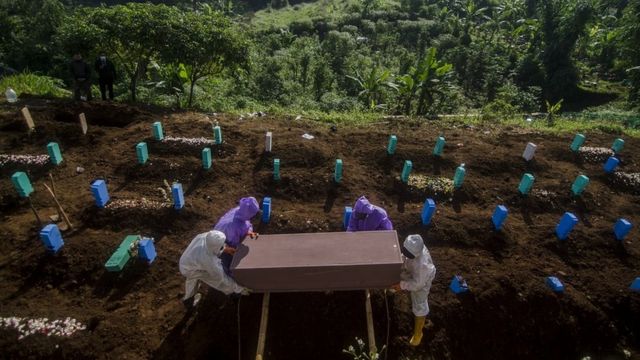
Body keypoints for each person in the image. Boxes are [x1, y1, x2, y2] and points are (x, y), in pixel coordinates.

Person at [179, 230, 249, 309]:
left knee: (192, 281)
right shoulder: (208, 260)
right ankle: (232, 292)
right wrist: (239, 289)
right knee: (215, 281)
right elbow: (221, 277)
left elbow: (214, 246)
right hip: (191, 269)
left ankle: (188, 300)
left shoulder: (206, 237)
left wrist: (225, 249)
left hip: (186, 261)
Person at [392, 234, 437, 346]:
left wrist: (402, 285)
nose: (405, 254)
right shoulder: (413, 246)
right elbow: (405, 256)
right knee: (402, 276)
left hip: (423, 281)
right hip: (412, 270)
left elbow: (418, 285)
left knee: (419, 302)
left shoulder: (423, 266)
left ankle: (418, 334)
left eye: (408, 254)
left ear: (416, 254)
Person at [214, 196, 260, 274]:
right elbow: (233, 245)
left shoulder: (240, 211)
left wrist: (249, 232)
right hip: (219, 241)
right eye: (252, 214)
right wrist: (234, 252)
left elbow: (246, 224)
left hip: (222, 233)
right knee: (226, 260)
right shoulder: (234, 227)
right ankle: (228, 273)